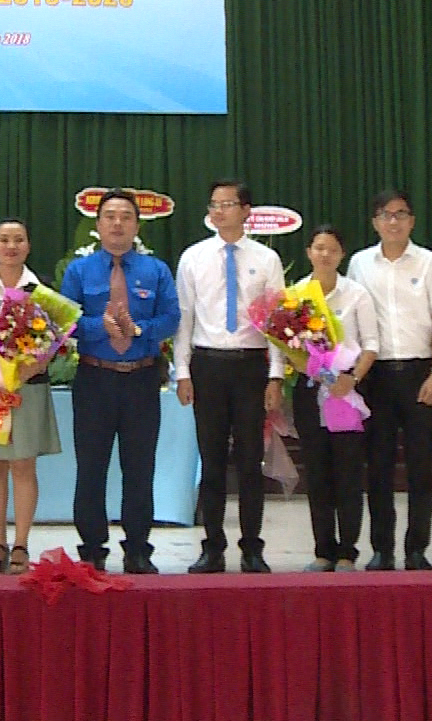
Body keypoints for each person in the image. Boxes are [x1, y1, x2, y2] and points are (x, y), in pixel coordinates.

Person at [60, 189, 181, 574]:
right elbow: (65, 320)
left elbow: (172, 318)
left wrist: (139, 329)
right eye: (110, 216)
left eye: (125, 217)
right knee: (91, 467)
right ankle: (92, 549)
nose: (117, 223)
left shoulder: (156, 270)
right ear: (97, 225)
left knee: (139, 467)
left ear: (137, 226)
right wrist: (100, 327)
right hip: (94, 379)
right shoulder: (79, 271)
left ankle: (138, 548)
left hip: (141, 379)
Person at [173, 180, 284, 574]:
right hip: (208, 365)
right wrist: (182, 372)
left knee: (251, 461)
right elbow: (184, 318)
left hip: (251, 365)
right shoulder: (193, 258)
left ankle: (252, 548)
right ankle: (213, 547)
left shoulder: (266, 259)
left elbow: (278, 322)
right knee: (212, 460)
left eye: (227, 204)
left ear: (246, 210)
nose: (218, 211)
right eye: (214, 204)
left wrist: (276, 375)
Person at [347, 189, 432, 570]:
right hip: (375, 376)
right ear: (375, 222)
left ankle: (416, 549)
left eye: (401, 214)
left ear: (412, 221)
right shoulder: (360, 264)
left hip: (420, 373)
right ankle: (382, 549)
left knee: (420, 466)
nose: (393, 221)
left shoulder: (431, 264)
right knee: (377, 465)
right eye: (386, 215)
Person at [0, 218, 61, 574]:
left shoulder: (42, 287)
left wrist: (33, 367)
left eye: (19, 239)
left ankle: (21, 544)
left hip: (27, 389)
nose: (11, 246)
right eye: (4, 239)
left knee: (23, 465)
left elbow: (54, 338)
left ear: (28, 245)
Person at [288, 226, 377, 571]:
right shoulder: (296, 296)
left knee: (348, 473)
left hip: (346, 392)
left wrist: (351, 378)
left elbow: (372, 345)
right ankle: (323, 550)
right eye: (319, 248)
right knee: (318, 472)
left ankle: (347, 551)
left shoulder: (356, 294)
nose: (325, 255)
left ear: (342, 255)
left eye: (332, 249)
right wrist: (305, 367)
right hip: (311, 393)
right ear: (309, 252)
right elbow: (286, 347)